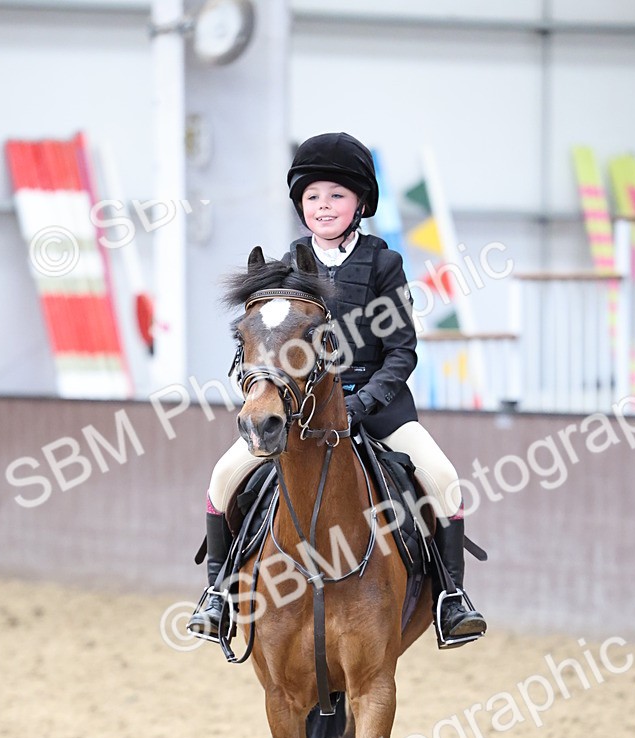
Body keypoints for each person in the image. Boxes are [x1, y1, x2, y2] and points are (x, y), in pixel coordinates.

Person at [188, 131, 486, 648]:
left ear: (360, 203)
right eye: (313, 198)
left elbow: (402, 352)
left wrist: (363, 401)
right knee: (222, 478)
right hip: (299, 411)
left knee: (444, 477)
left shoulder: (383, 265)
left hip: (379, 407)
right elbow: (265, 344)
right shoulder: (288, 269)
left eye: (336, 196)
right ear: (301, 205)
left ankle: (451, 599)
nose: (324, 207)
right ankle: (217, 595)